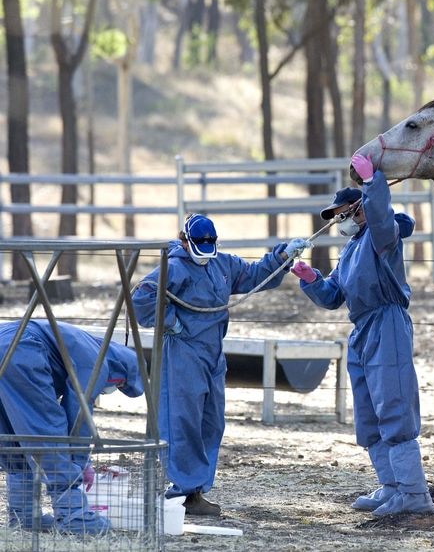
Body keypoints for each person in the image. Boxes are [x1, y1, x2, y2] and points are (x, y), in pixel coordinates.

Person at [131, 213, 307, 517]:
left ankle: (196, 488)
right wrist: (169, 321)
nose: (205, 250)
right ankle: (182, 492)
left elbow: (254, 274)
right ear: (186, 242)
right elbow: (141, 299)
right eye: (200, 244)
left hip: (213, 353)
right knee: (181, 420)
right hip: (182, 351)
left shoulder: (221, 264)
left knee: (211, 422)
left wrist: (282, 256)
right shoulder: (172, 268)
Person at [290, 154, 434, 516]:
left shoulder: (382, 237)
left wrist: (372, 185)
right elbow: (333, 296)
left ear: (358, 208)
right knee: (369, 415)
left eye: (340, 213)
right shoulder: (350, 250)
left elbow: (384, 217)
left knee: (394, 406)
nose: (336, 220)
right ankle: (391, 486)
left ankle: (414, 495)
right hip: (362, 330)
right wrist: (309, 278)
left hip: (387, 325)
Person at [0, 319, 144, 534]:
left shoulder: (85, 345)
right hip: (23, 350)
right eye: (120, 386)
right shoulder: (98, 361)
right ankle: (74, 517)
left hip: (8, 342)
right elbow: (79, 414)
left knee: (11, 430)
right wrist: (79, 461)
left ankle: (23, 515)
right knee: (46, 429)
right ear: (121, 374)